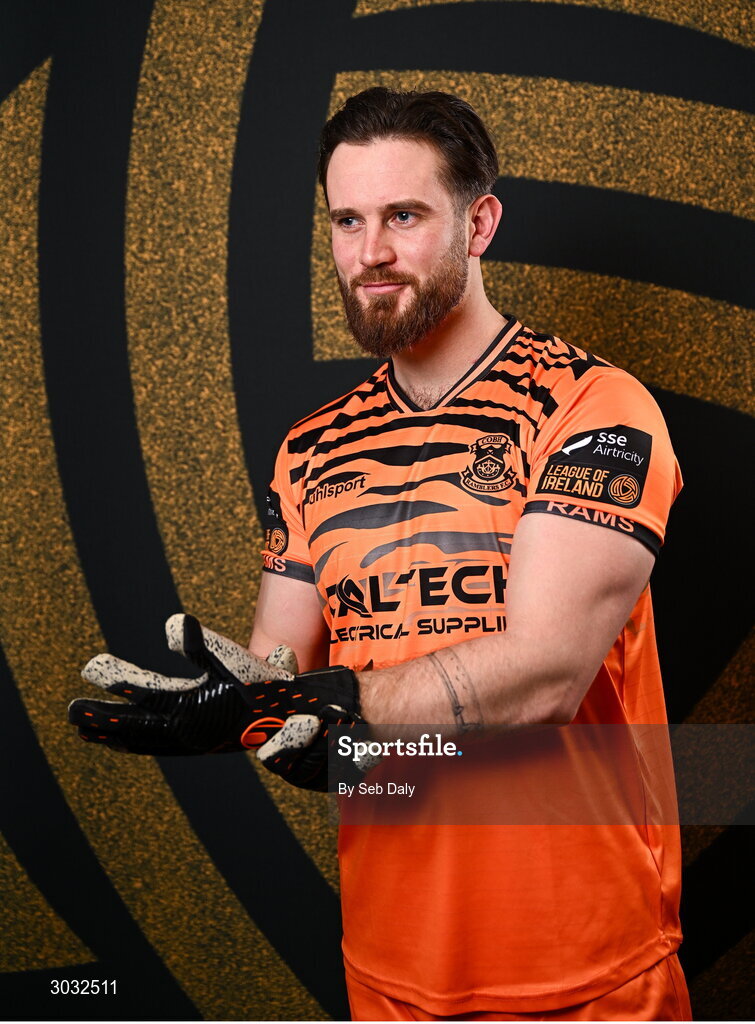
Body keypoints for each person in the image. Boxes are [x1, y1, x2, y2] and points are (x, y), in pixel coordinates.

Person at [70, 88, 692, 1021]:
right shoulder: (310, 448)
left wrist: (345, 705)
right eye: (347, 221)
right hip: (390, 973)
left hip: (588, 974)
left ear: (478, 222)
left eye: (404, 216)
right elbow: (289, 681)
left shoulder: (593, 408)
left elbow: (545, 675)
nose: (370, 255)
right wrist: (239, 707)